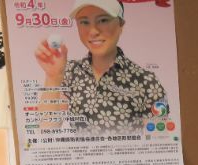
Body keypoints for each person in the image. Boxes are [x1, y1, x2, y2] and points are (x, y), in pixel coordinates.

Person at [34, 1, 166, 132]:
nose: (93, 31)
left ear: (121, 25)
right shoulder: (70, 72)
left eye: (103, 20)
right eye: (84, 22)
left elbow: (160, 138)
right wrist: (53, 77)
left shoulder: (147, 81)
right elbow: (45, 131)